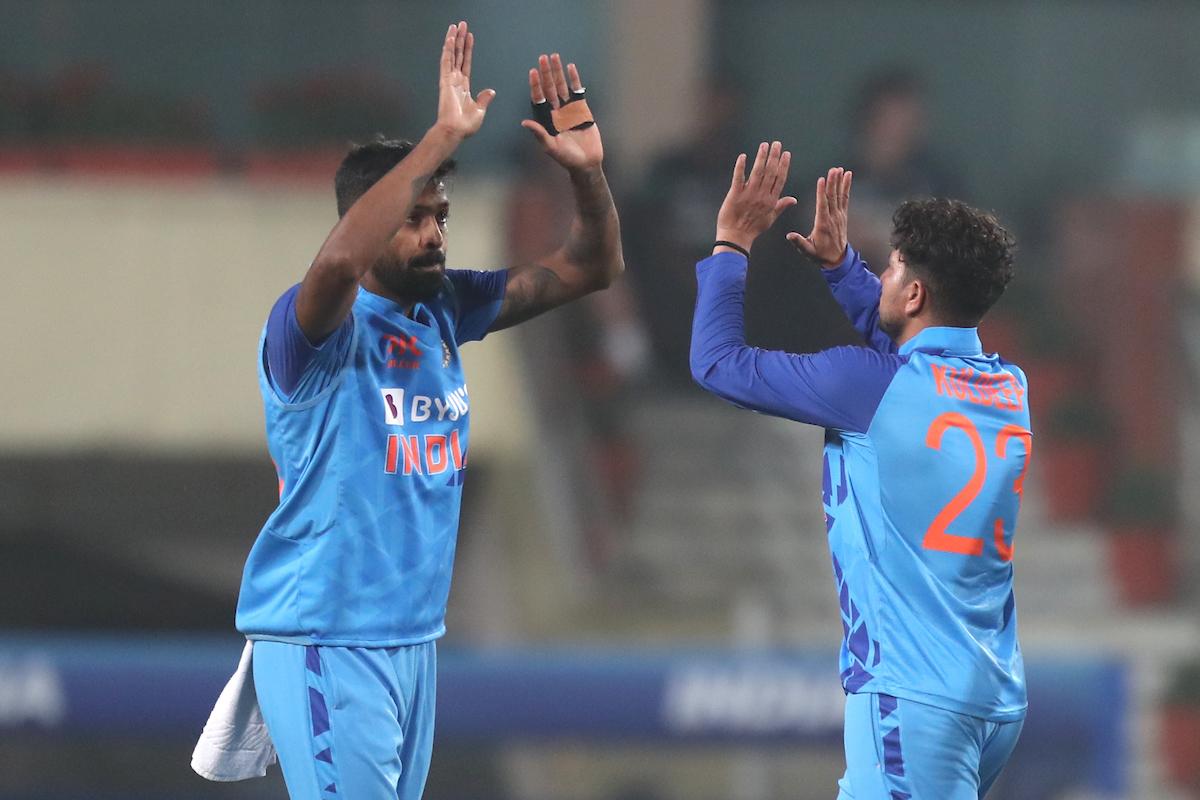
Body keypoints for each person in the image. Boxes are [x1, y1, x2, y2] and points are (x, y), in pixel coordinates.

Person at [230, 22, 622, 800]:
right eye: (416, 217)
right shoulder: (309, 333)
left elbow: (593, 266)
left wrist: (587, 176)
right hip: (328, 636)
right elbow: (341, 259)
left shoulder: (441, 309)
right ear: (368, 219)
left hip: (413, 640)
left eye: (441, 214)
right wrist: (443, 133)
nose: (436, 232)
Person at [690, 143, 1027, 799]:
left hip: (911, 696)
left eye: (891, 268)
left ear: (917, 290)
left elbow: (717, 364)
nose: (882, 279)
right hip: (994, 695)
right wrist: (844, 269)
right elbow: (910, 358)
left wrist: (731, 242)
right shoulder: (1008, 389)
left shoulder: (863, 387)